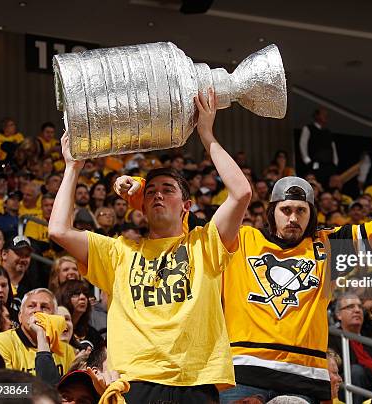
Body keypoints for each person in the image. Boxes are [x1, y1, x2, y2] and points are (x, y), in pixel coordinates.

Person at [118, 160, 372, 402]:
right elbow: (179, 228)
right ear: (272, 212)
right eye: (286, 209)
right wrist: (139, 195)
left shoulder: (326, 246)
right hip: (241, 376)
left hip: (303, 382)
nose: (293, 217)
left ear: (312, 216)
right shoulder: (242, 239)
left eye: (301, 210)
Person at [49, 89, 251, 403]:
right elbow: (59, 230)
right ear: (141, 205)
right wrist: (72, 167)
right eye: (151, 191)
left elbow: (241, 193)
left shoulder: (205, 244)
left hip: (195, 382)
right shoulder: (119, 251)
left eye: (167, 190)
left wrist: (207, 135)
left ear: (186, 206)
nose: (157, 195)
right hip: (134, 380)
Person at [0, 288, 76, 382]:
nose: (38, 311)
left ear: (55, 318)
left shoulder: (66, 350)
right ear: (20, 316)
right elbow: (4, 389)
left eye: (44, 307)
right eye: (31, 306)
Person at [299, 107, 338, 185]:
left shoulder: (328, 132)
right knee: (315, 183)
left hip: (328, 165)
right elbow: (303, 144)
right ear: (316, 116)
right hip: (315, 164)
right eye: (323, 114)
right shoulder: (308, 128)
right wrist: (307, 160)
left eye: (326, 115)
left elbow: (333, 148)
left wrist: (335, 162)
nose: (325, 116)